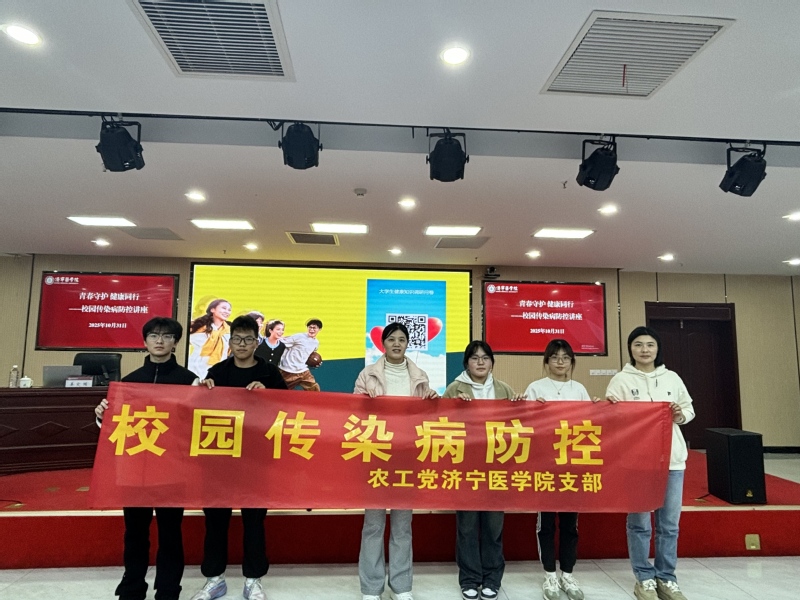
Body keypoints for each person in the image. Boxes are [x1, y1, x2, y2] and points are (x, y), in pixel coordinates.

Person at [94, 317, 199, 600]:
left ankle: (168, 589)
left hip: (171, 470)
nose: (160, 341)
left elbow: (194, 426)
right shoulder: (129, 382)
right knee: (135, 532)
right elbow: (117, 429)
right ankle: (132, 586)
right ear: (145, 341)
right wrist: (103, 415)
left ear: (175, 342)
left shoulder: (189, 381)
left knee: (170, 533)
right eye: (154, 335)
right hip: (134, 470)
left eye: (167, 336)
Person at [191, 315, 288, 600]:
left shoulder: (270, 373)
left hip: (256, 459)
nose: (242, 344)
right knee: (215, 521)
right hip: (219, 459)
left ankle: (253, 580)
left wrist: (269, 394)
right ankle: (214, 579)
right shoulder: (217, 371)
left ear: (257, 342)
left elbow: (289, 409)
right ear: (230, 341)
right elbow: (199, 411)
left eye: (248, 339)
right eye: (237, 339)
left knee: (254, 521)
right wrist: (204, 391)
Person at [605, 326, 695, 600]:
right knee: (640, 523)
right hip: (637, 462)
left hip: (672, 461)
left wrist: (679, 415)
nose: (644, 350)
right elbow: (611, 419)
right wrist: (611, 409)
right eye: (638, 345)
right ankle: (644, 577)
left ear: (657, 349)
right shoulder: (620, 380)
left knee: (669, 524)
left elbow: (689, 409)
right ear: (630, 349)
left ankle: (666, 577)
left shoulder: (672, 378)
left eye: (650, 345)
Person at [354, 322, 439, 600]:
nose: (397, 344)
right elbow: (353, 414)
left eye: (402, 339)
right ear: (383, 343)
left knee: (402, 526)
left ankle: (402, 587)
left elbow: (428, 419)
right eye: (392, 339)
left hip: (407, 457)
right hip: (376, 456)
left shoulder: (420, 376)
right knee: (373, 525)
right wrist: (365, 402)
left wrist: (433, 399)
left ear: (407, 344)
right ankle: (371, 587)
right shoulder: (367, 375)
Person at [443, 340, 521, 600]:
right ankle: (469, 579)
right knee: (466, 527)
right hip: (466, 470)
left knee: (493, 527)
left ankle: (492, 578)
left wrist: (520, 405)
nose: (480, 362)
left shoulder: (504, 389)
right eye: (474, 358)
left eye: (485, 358)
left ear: (491, 363)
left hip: (496, 469)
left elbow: (519, 427)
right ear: (466, 363)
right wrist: (455, 407)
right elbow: (438, 426)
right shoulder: (454, 389)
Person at [524, 339, 594, 600]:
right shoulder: (535, 388)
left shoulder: (579, 389)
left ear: (572, 362)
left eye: (565, 357)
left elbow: (591, 423)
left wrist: (598, 407)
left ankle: (567, 573)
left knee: (570, 524)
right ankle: (549, 575)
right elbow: (525, 425)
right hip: (545, 466)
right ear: (546, 361)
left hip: (572, 466)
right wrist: (532, 410)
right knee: (546, 524)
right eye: (554, 357)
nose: (560, 362)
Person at [188, 299, 232, 380]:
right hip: (196, 368)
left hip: (219, 371)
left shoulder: (229, 331)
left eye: (229, 310)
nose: (227, 312)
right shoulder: (199, 327)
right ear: (212, 309)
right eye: (224, 308)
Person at [278, 318, 323, 391]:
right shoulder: (298, 337)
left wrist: (315, 361)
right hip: (288, 370)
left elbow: (310, 355)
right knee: (281, 390)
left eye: (314, 328)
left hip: (303, 371)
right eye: (310, 327)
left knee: (314, 389)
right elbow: (281, 342)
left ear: (319, 329)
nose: (311, 330)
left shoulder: (316, 343)